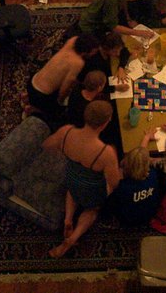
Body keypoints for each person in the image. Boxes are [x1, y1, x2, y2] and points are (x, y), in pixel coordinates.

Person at [42, 100, 121, 258]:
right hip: (92, 190)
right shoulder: (106, 152)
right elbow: (114, 183)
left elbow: (46, 145)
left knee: (73, 191)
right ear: (104, 124)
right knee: (92, 210)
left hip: (72, 177)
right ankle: (72, 239)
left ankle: (68, 219)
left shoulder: (66, 131)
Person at [27, 34, 99, 125]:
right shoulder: (78, 63)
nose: (94, 54)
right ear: (86, 52)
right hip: (41, 95)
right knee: (56, 113)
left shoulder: (72, 41)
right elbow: (65, 86)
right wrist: (60, 101)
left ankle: (28, 98)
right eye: (93, 52)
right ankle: (33, 110)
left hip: (33, 80)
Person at [107, 143, 164, 226]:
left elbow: (114, 203)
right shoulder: (153, 175)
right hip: (150, 216)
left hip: (128, 220)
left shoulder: (123, 186)